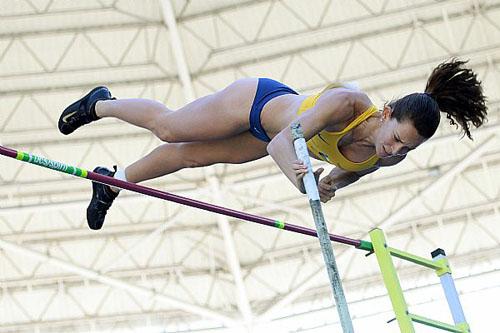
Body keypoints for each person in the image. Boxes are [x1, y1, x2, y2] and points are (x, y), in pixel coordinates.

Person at [58, 59, 487, 230]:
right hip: (256, 102)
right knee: (171, 130)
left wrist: (327, 187)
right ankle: (101, 104)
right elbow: (287, 141)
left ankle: (112, 182)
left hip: (262, 138)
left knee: (188, 158)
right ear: (386, 112)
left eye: (405, 150)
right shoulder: (347, 104)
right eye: (395, 139)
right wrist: (304, 185)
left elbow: (337, 178)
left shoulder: (381, 160)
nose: (394, 151)